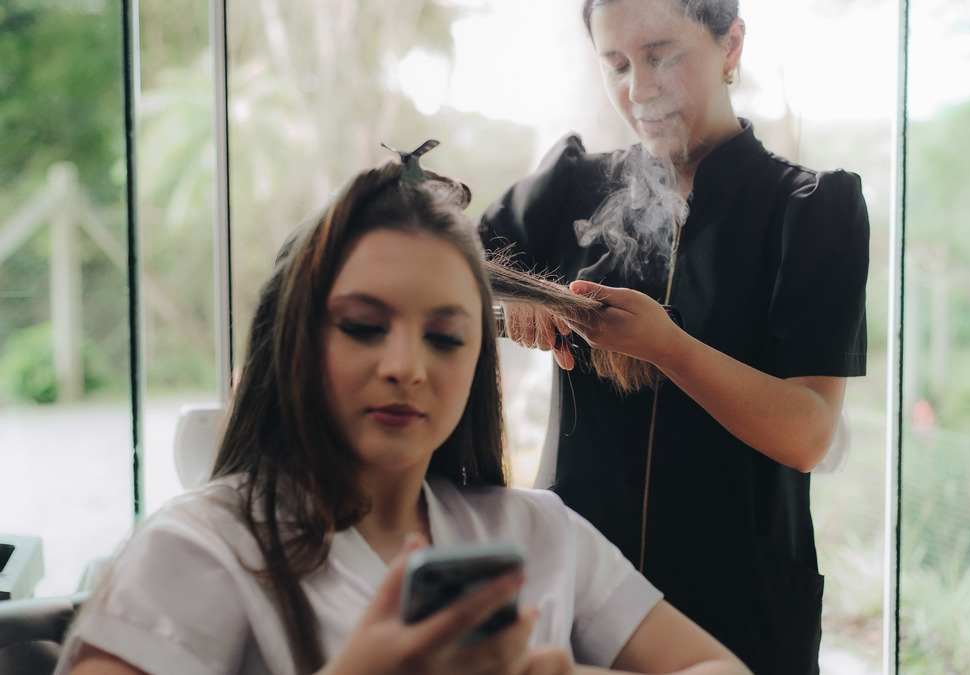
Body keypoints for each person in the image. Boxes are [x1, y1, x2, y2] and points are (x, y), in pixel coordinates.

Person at [54, 145, 751, 675]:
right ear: (292, 338)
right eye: (363, 326)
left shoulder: (538, 534)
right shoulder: (201, 549)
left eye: (445, 337)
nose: (407, 366)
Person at [478, 1, 870, 672]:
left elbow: (808, 432)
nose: (639, 89)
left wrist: (667, 346)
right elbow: (437, 277)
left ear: (730, 45)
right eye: (616, 65)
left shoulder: (807, 213)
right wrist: (515, 301)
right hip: (576, 597)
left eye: (662, 56)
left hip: (739, 608)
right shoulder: (572, 188)